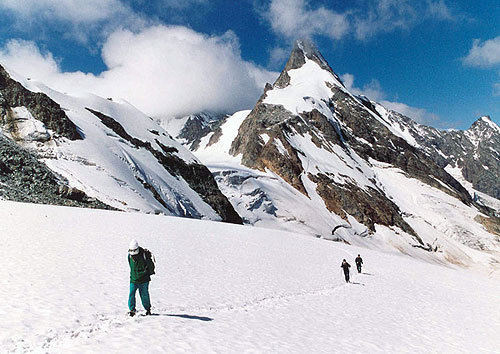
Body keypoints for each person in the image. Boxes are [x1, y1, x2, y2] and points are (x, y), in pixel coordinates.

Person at [128, 239, 152, 317]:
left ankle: (148, 309)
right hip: (133, 279)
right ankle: (132, 309)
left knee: (144, 294)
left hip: (143, 280)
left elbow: (149, 266)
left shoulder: (144, 255)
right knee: (131, 294)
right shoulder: (129, 256)